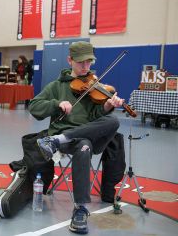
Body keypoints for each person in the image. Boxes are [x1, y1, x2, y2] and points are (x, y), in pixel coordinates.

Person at [28, 41, 123, 235]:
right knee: (84, 146)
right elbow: (34, 107)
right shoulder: (55, 86)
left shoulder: (93, 85)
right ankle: (80, 208)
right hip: (76, 142)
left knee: (113, 121)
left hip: (84, 134)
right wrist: (57, 104)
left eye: (89, 62)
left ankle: (57, 140)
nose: (86, 67)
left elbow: (97, 115)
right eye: (81, 62)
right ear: (69, 60)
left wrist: (107, 106)